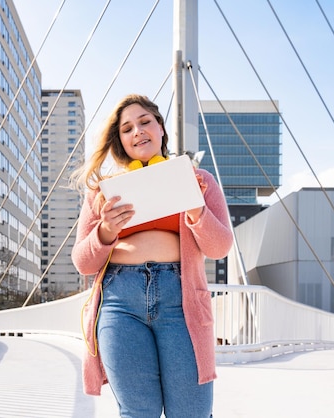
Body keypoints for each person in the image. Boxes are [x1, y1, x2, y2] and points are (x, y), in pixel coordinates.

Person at [71, 94, 233, 417]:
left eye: (145, 122)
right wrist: (104, 232)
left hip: (182, 303)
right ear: (120, 141)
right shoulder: (103, 191)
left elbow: (220, 247)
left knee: (191, 413)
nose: (137, 132)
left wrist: (196, 210)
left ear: (160, 127)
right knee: (137, 413)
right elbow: (83, 262)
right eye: (127, 128)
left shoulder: (200, 182)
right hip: (120, 304)